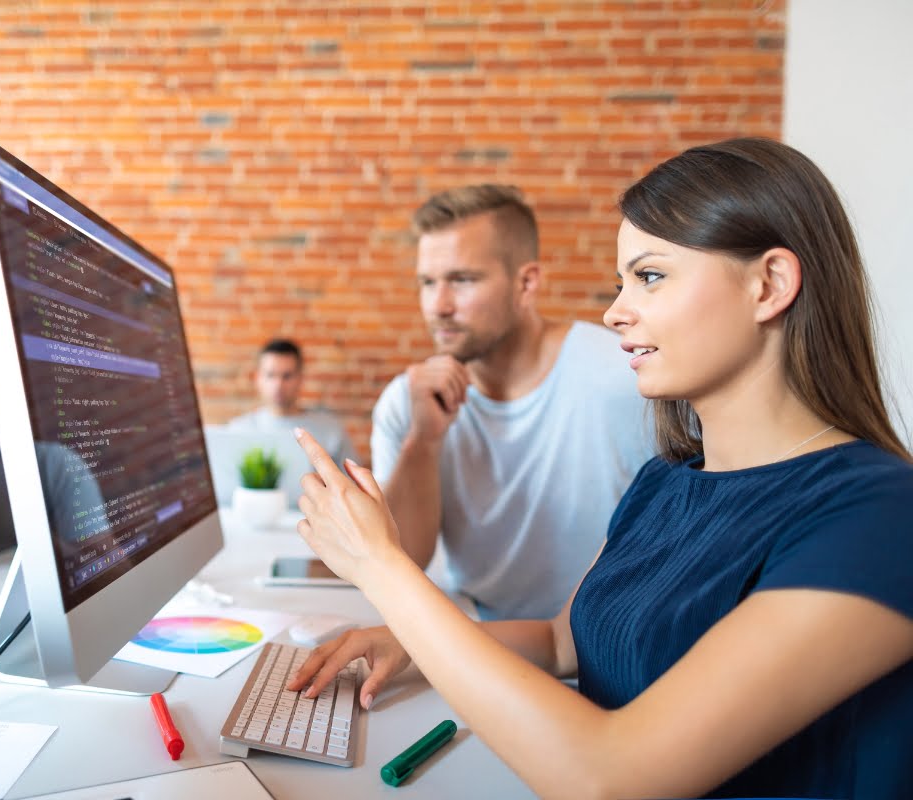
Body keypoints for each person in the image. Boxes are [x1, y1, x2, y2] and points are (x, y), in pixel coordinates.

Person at [288, 139, 913, 798]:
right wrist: (406, 644)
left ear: (770, 285)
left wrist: (382, 570)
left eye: (649, 276)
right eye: (623, 283)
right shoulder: (667, 481)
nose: (616, 311)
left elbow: (611, 777)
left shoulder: (878, 518)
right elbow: (564, 641)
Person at [372, 185, 653, 620]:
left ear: (526, 283)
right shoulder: (408, 403)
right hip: (478, 638)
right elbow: (402, 560)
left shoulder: (625, 379)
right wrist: (423, 442)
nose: (438, 306)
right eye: (428, 283)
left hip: (606, 642)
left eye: (462, 280)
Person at [228, 338, 357, 465]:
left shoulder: (331, 430)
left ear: (300, 378)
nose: (278, 384)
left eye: (287, 376)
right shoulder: (237, 430)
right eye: (270, 375)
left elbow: (353, 483)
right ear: (258, 378)